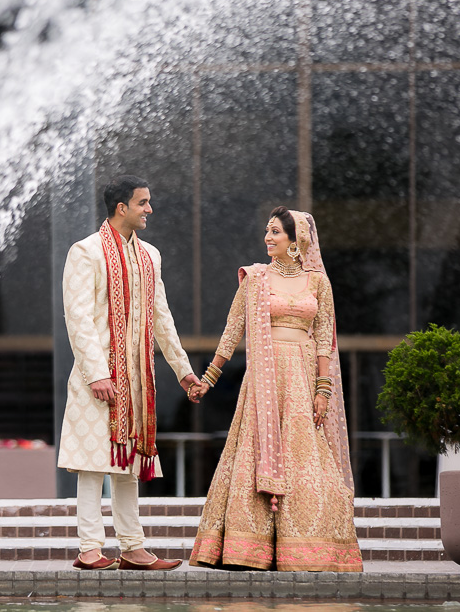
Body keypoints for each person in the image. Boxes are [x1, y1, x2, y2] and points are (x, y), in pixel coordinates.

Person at [188, 207, 363, 572]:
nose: (268, 238)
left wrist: (323, 390)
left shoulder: (318, 282)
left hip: (301, 378)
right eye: (267, 232)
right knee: (254, 451)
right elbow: (233, 330)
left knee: (305, 457)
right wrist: (208, 378)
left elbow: (323, 341)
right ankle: (246, 548)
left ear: (295, 240)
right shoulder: (256, 278)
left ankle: (311, 548)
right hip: (265, 379)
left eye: (275, 232)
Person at [58, 174, 203, 571]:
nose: (149, 209)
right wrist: (96, 373)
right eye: (143, 203)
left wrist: (183, 371)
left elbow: (161, 317)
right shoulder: (85, 252)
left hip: (138, 379)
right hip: (98, 378)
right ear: (122, 207)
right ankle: (89, 548)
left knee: (129, 464)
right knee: (92, 463)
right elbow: (78, 317)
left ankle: (132, 548)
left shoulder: (149, 256)